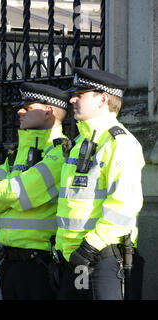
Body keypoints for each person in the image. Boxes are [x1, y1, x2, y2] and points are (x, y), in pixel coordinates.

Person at [55, 67, 145, 300]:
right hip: (74, 259)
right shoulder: (78, 143)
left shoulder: (120, 144)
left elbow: (123, 208)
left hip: (101, 258)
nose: (72, 99)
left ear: (103, 99)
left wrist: (88, 248)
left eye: (81, 93)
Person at [0, 82, 70, 299]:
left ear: (48, 112)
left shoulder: (60, 152)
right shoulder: (18, 153)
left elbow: (20, 193)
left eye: (27, 107)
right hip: (9, 262)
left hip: (39, 265)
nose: (19, 111)